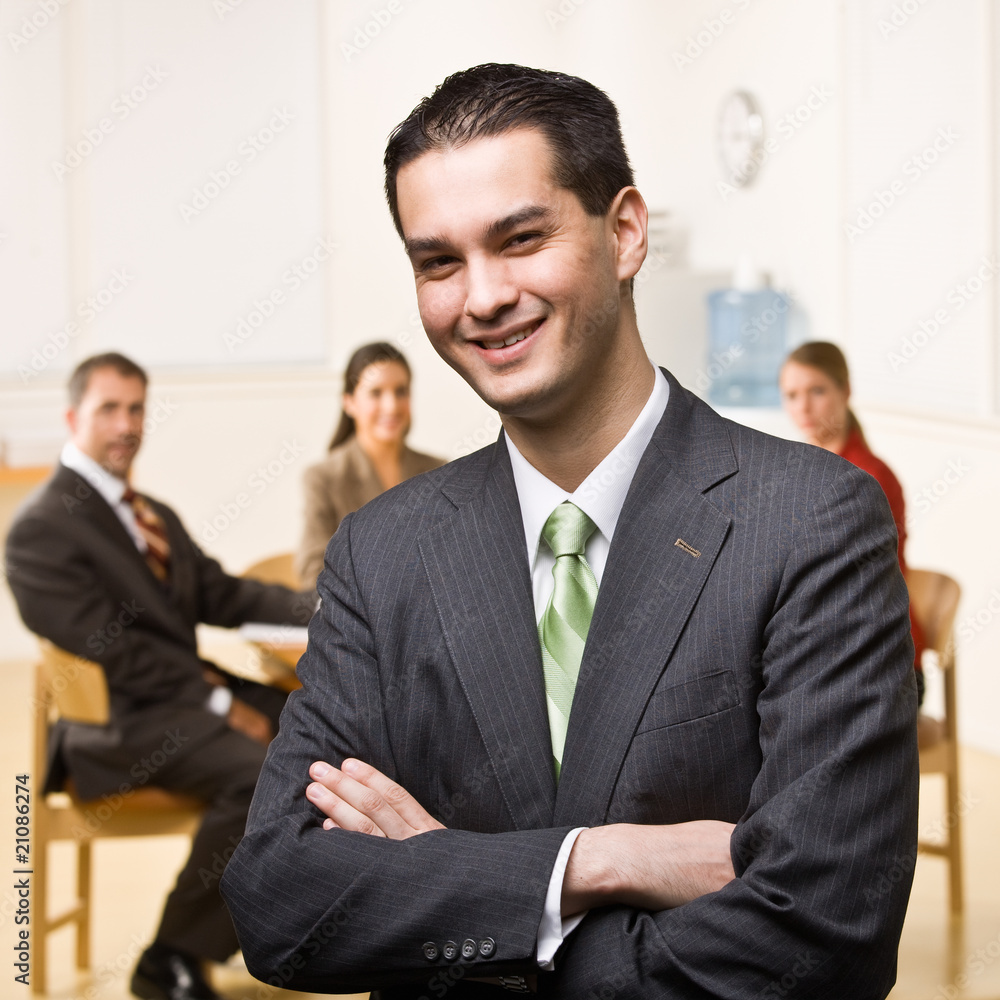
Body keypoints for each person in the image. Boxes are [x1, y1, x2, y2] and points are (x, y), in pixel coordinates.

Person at [221, 64, 918, 999]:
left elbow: (826, 937)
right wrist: (592, 863)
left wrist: (455, 887)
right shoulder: (380, 553)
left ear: (625, 232)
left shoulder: (811, 520)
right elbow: (278, 901)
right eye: (439, 262)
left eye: (521, 239)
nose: (482, 296)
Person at [5, 352, 315, 1000]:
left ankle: (268, 922)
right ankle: (168, 956)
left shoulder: (150, 516)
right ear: (72, 417)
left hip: (177, 703)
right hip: (116, 725)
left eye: (136, 408)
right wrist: (216, 701)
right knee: (263, 774)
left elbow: (224, 597)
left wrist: (326, 604)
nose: (126, 424)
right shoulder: (39, 530)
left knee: (316, 732)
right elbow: (112, 652)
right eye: (109, 409)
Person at [779, 341, 928, 705]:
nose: (803, 407)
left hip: (884, 661)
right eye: (792, 395)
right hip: (825, 650)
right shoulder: (792, 472)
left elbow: (856, 590)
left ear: (845, 390)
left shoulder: (871, 478)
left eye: (817, 391)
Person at [296, 341, 444, 586]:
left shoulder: (438, 470)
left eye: (401, 391)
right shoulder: (324, 478)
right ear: (349, 402)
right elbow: (313, 572)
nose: (391, 406)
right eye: (376, 393)